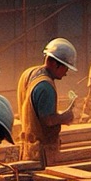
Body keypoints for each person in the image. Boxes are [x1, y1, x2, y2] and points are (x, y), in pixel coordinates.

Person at [17, 38, 78, 168]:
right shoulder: (46, 86)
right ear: (56, 64)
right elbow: (48, 120)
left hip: (28, 148)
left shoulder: (29, 73)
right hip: (42, 154)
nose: (66, 73)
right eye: (66, 68)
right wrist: (65, 117)